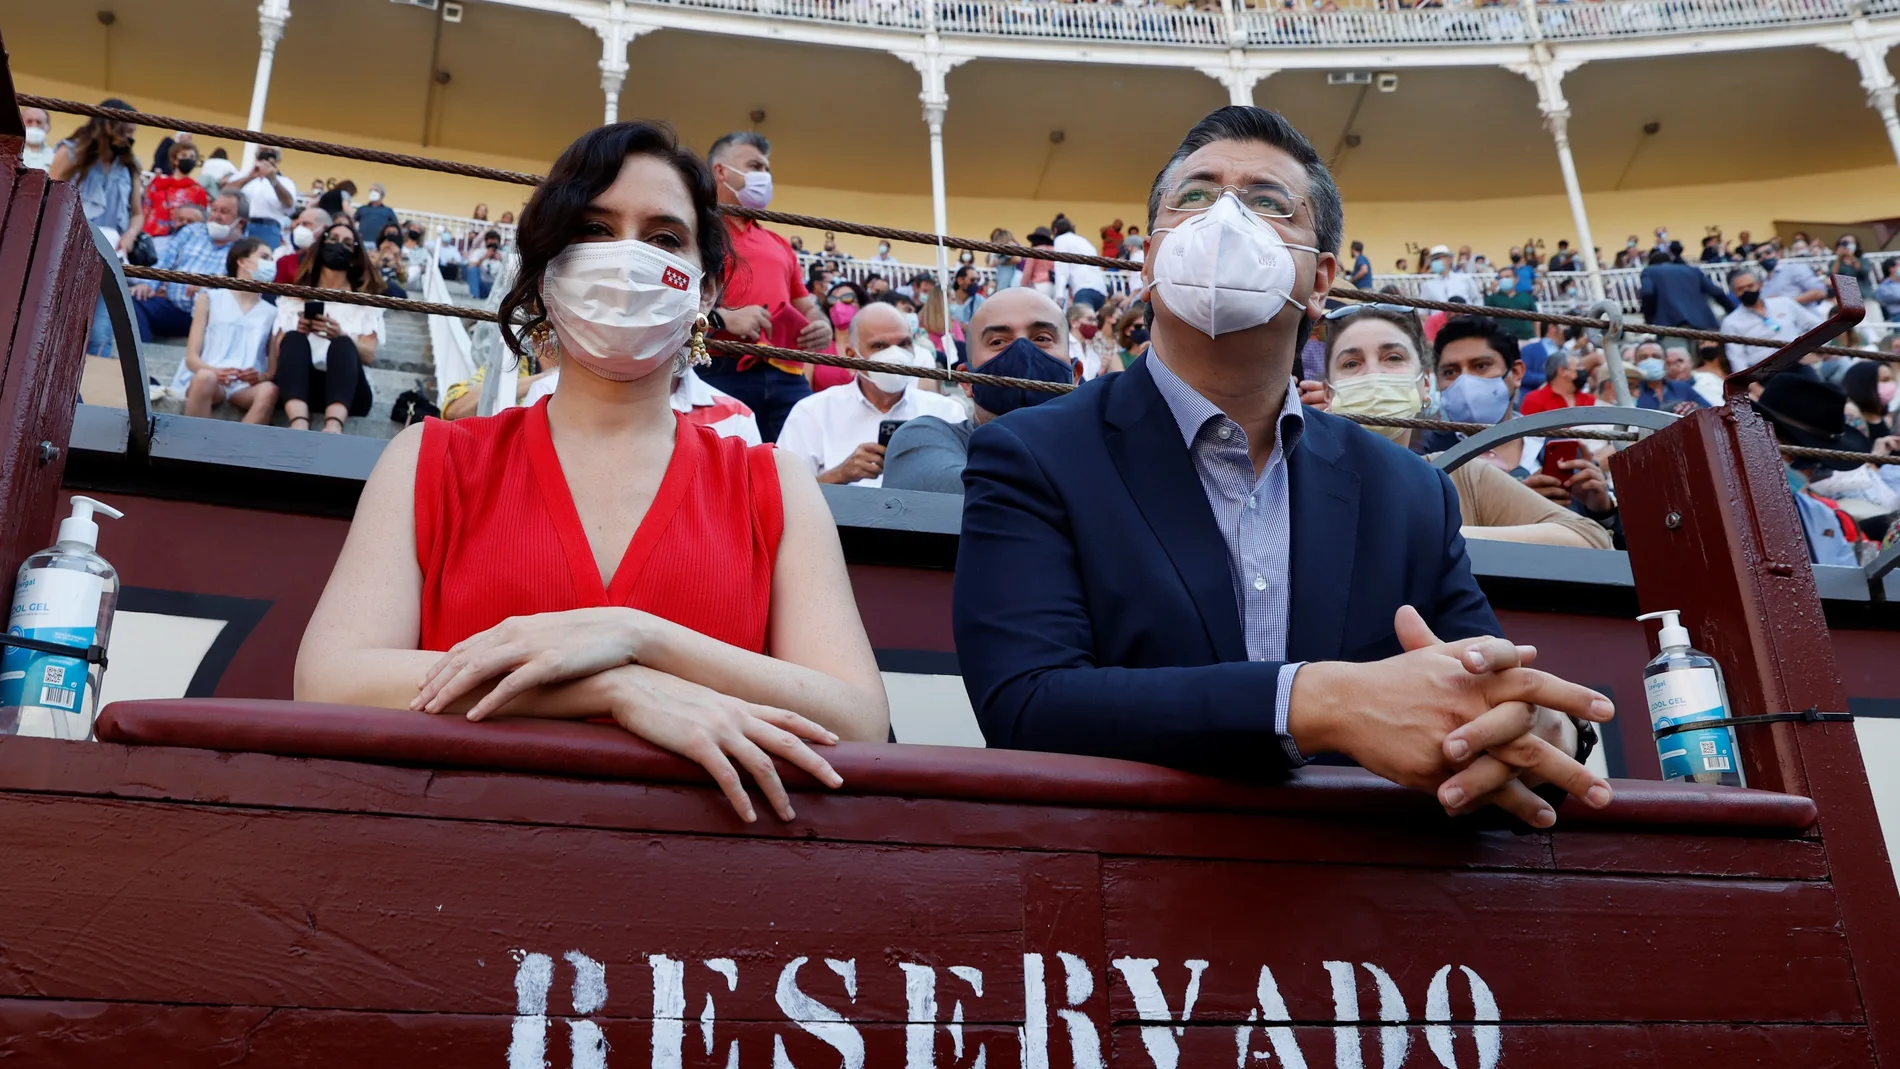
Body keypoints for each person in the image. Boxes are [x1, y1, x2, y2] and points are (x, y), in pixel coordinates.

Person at [955, 106, 1613, 829]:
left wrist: (1541, 729)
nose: (1226, 218)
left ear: (1321, 281)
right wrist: (1318, 700)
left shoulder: (1406, 490)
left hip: (1363, 908)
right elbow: (1025, 704)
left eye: (1270, 203)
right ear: (1149, 260)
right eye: (1196, 197)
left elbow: (1481, 696)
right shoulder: (1034, 454)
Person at [295, 121, 887, 823]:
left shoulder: (776, 484)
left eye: (665, 238)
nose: (628, 256)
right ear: (547, 271)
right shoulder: (431, 458)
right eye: (596, 229)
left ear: (706, 290)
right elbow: (332, 680)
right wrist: (615, 687)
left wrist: (640, 636)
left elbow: (855, 716)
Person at [1318, 306, 1610, 549]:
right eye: (1351, 363)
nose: (1373, 374)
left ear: (1425, 386)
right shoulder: (1296, 477)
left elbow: (1591, 540)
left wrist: (1441, 537)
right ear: (1327, 392)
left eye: (1393, 358)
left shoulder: (1461, 473)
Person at [700, 131, 829, 442]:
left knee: (802, 464)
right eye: (756, 166)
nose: (765, 177)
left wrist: (821, 323)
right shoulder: (695, 230)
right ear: (721, 172)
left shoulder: (778, 243)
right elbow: (673, 293)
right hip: (717, 365)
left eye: (767, 170)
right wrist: (722, 318)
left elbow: (805, 304)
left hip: (786, 373)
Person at [884, 289, 1074, 496]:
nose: (1022, 350)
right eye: (998, 342)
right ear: (966, 381)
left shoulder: (1099, 444)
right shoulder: (922, 438)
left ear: (1076, 375)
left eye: (1042, 338)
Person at [774, 303, 964, 487]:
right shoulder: (813, 413)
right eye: (880, 346)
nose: (895, 355)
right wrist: (840, 475)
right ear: (852, 356)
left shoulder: (945, 413)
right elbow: (785, 495)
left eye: (904, 344)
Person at [272, 220, 384, 432]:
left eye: (347, 243)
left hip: (350, 391)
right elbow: (279, 349)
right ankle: (298, 423)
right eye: (333, 239)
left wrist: (340, 335)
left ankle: (333, 427)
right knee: (293, 338)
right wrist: (300, 330)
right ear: (321, 246)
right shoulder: (294, 298)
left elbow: (369, 354)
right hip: (300, 385)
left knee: (342, 344)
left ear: (355, 255)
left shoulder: (365, 304)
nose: (339, 245)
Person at [1758, 372, 1872, 566]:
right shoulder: (1720, 502)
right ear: (1761, 436)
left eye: (1818, 465)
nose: (1807, 473)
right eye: (1801, 458)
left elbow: (1845, 584)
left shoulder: (1823, 515)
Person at [171, 237, 280, 423]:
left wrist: (258, 376)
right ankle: (193, 447)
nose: (270, 264)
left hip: (244, 387)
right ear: (242, 261)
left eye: (271, 259)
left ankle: (236, 451)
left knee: (269, 390)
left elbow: (271, 371)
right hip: (209, 377)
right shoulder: (209, 298)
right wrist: (215, 372)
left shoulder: (272, 312)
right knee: (205, 378)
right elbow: (192, 358)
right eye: (264, 257)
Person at [128, 189, 251, 342]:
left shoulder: (247, 249)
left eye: (224, 212)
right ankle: (137, 359)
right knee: (134, 300)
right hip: (175, 308)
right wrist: (148, 285)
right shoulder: (192, 231)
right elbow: (165, 263)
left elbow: (241, 293)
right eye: (214, 210)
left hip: (212, 316)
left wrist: (210, 287)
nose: (216, 216)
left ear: (241, 222)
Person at [49, 99, 144, 262]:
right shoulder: (70, 152)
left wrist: (130, 236)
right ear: (107, 126)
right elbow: (51, 201)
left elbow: (137, 213)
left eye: (132, 133)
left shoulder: (129, 165)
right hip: (70, 244)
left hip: (112, 249)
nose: (129, 139)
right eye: (126, 132)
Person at [1722, 265, 1822, 372]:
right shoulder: (1731, 322)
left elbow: (1816, 325)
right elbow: (1737, 360)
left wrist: (1813, 351)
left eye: (1750, 286)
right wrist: (1754, 388)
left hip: (1799, 362)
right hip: (1765, 373)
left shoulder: (1784, 303)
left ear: (1760, 285)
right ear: (1734, 293)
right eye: (1740, 289)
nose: (1746, 291)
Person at [1638, 247, 1734, 332]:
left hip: (1670, 326)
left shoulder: (1650, 271)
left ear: (1652, 263)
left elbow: (1647, 293)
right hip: (1704, 324)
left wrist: (1649, 319)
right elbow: (1716, 291)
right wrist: (1733, 311)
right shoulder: (1692, 270)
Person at [141, 141, 211, 250]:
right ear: (174, 160)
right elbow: (145, 209)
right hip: (153, 238)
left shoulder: (198, 190)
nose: (188, 159)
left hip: (183, 242)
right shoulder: (158, 184)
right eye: (183, 155)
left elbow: (201, 219)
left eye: (192, 157)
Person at [229, 147, 296, 251]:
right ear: (256, 155)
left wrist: (273, 180)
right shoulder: (241, 176)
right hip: (238, 226)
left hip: (268, 229)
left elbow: (289, 203)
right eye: (263, 151)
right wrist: (250, 177)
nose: (267, 155)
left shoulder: (285, 182)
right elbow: (225, 193)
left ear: (278, 159)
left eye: (272, 153)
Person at [1629, 339, 1707, 414]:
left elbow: (1711, 413)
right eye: (1643, 357)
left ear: (1665, 361)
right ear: (1635, 362)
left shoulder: (1681, 387)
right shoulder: (1629, 392)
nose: (1650, 360)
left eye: (1656, 356)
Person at [1051, 216, 1107, 310]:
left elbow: (1062, 270)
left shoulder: (1060, 240)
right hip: (1100, 290)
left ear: (1055, 230)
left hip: (1083, 288)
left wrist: (1059, 296)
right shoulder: (1084, 241)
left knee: (1081, 321)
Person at [1519, 349, 1597, 416]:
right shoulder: (1534, 400)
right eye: (1579, 366)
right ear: (1562, 371)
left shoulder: (1589, 400)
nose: (1583, 369)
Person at [1757, 241, 1829, 307]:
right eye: (1759, 256)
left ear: (1778, 254)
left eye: (1768, 252)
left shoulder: (1795, 268)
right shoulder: (1763, 282)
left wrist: (1785, 302)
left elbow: (1820, 291)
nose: (1763, 257)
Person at [273, 204, 332, 283]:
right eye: (298, 225)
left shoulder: (335, 263)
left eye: (306, 224)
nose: (299, 229)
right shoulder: (286, 262)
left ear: (324, 228)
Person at [1843, 359, 1897, 439]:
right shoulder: (1851, 412)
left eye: (1891, 379)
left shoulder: (1883, 417)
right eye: (1885, 380)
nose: (1890, 385)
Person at [1483, 270, 1536, 340]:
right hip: (1503, 339)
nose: (1504, 280)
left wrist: (1537, 337)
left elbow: (1536, 319)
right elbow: (1487, 319)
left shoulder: (1526, 297)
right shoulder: (1492, 298)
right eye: (1501, 278)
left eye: (1507, 277)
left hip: (1527, 338)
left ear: (1516, 279)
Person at [1019, 228, 1056, 297]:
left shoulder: (1035, 251)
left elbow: (1028, 272)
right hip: (1055, 284)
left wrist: (1022, 287)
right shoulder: (1055, 250)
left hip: (1039, 285)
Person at [1690, 343, 1729, 407]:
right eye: (1702, 343)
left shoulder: (1731, 372)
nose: (1706, 345)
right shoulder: (1694, 375)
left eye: (1710, 341)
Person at [18, 106, 53, 171]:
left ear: (47, 127)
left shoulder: (55, 157)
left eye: (39, 122)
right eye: (29, 121)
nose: (34, 125)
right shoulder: (8, 155)